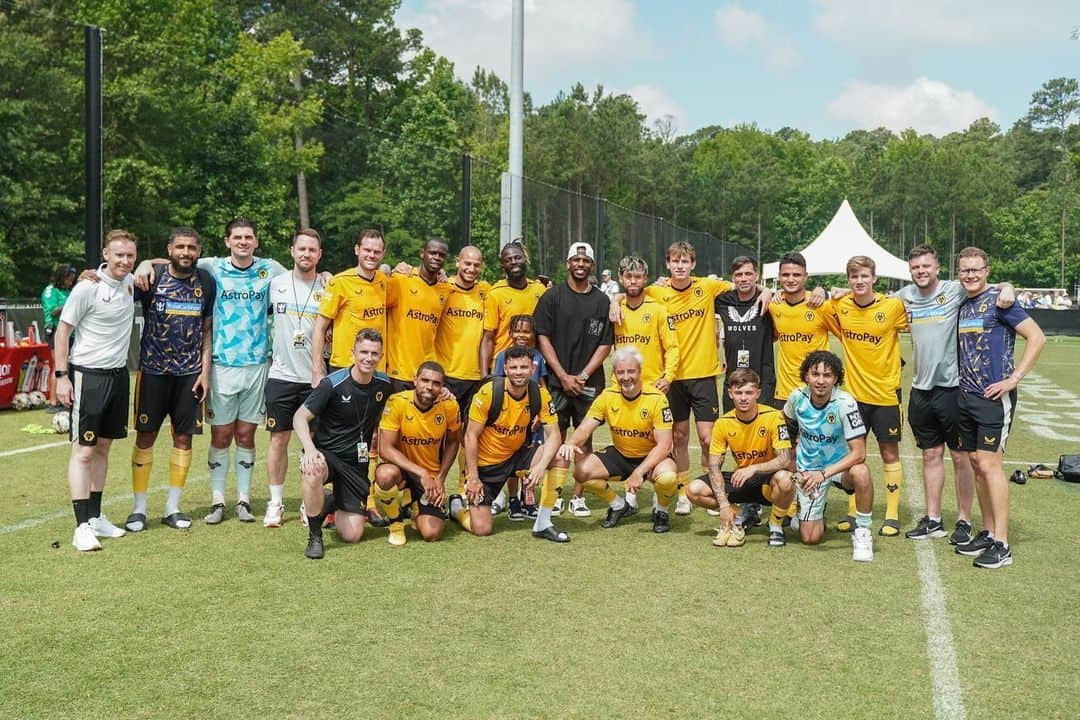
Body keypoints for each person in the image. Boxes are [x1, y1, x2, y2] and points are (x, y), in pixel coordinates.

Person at [896, 245, 1012, 545]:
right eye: (916, 268)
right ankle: (933, 519)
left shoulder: (955, 289)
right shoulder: (905, 296)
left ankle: (963, 519)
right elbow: (869, 299)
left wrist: (1008, 287)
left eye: (926, 266)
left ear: (938, 268)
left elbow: (988, 286)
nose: (921, 272)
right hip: (920, 389)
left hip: (953, 389)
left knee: (961, 457)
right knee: (930, 454)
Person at [625, 241, 738, 517]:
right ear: (668, 264)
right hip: (672, 378)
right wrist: (615, 302)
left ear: (693, 264)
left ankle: (712, 487)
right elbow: (630, 294)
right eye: (675, 261)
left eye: (685, 261)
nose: (680, 266)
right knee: (678, 435)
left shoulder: (708, 287)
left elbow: (744, 286)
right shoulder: (657, 291)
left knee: (708, 438)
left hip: (703, 375)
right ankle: (683, 491)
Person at [954, 247, 1045, 569]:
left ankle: (1003, 544)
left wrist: (1014, 378)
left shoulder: (1002, 301)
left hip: (995, 397)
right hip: (966, 397)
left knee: (991, 465)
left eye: (976, 269)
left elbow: (1037, 337)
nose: (970, 275)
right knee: (977, 463)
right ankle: (989, 531)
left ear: (987, 270)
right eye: (965, 270)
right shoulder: (964, 304)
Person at [125, 227, 215, 532]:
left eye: (191, 247)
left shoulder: (205, 282)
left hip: (189, 375)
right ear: (170, 249)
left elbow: (206, 330)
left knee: (183, 438)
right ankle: (138, 509)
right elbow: (116, 281)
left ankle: (172, 508)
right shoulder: (152, 278)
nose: (186, 252)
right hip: (152, 372)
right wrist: (141, 263)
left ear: (199, 251)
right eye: (180, 247)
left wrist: (205, 373)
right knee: (145, 436)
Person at [53, 229, 137, 551]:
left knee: (104, 448)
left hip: (118, 377)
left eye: (130, 256)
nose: (125, 261)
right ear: (105, 254)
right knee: (84, 451)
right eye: (119, 255)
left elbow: (158, 263)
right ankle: (81, 526)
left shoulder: (130, 283)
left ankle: (97, 515)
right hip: (89, 376)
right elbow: (63, 333)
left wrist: (143, 268)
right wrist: (62, 377)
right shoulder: (87, 287)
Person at [824, 256, 908, 537]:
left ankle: (892, 514)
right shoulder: (840, 306)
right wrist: (823, 292)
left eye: (864, 276)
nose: (859, 281)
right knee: (853, 456)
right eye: (854, 277)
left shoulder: (892, 307)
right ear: (848, 280)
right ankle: (852, 511)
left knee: (888, 453)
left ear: (874, 278)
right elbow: (815, 304)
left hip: (885, 396)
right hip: (853, 398)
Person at [556, 347, 679, 533]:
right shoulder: (607, 396)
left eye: (631, 371)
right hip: (621, 454)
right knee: (581, 472)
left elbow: (664, 445)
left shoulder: (656, 398)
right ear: (614, 373)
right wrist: (572, 443)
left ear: (640, 371)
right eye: (620, 372)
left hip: (652, 457)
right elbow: (585, 427)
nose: (626, 377)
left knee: (668, 478)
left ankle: (661, 510)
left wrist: (639, 472)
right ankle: (618, 504)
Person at [293, 328, 392, 559]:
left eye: (374, 354)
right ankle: (315, 535)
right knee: (311, 470)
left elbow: (411, 394)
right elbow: (300, 417)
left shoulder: (384, 384)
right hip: (327, 455)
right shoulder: (332, 384)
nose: (369, 358)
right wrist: (309, 449)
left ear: (381, 355)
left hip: (356, 463)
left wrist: (444, 393)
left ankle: (329, 500)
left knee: (353, 534)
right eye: (364, 352)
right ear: (353, 352)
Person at [534, 242, 614, 520]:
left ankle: (578, 497)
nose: (580, 264)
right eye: (575, 259)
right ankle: (554, 496)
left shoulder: (602, 301)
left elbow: (606, 343)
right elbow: (542, 336)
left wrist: (580, 376)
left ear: (591, 265)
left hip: (588, 383)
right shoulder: (552, 297)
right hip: (557, 383)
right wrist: (562, 376)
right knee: (554, 439)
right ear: (567, 263)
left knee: (584, 440)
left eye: (585, 260)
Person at [450, 346, 561, 539]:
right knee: (482, 529)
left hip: (516, 456)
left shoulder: (540, 394)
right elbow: (470, 436)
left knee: (560, 457)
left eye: (524, 367)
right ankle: (457, 508)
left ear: (532, 369)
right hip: (486, 466)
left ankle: (543, 523)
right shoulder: (489, 393)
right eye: (514, 367)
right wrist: (473, 477)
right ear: (506, 369)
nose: (519, 372)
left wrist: (541, 466)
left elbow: (555, 435)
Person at [783, 351, 875, 562]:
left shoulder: (845, 402)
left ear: (836, 379)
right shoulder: (797, 397)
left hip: (840, 469)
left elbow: (859, 453)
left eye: (827, 375)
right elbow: (786, 426)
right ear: (806, 376)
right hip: (809, 471)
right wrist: (794, 466)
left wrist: (823, 474)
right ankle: (815, 509)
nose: (821, 381)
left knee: (862, 473)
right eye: (816, 374)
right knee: (810, 538)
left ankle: (863, 532)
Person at [687, 368, 795, 547]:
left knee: (786, 479)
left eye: (749, 392)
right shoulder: (723, 423)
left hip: (767, 479)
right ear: (730, 393)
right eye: (738, 392)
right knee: (694, 489)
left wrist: (753, 468)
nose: (743, 398)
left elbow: (784, 459)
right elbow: (714, 466)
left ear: (758, 393)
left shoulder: (774, 416)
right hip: (742, 480)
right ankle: (736, 518)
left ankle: (775, 525)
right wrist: (723, 505)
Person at [262, 229, 325, 528]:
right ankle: (275, 503)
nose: (306, 254)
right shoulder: (275, 284)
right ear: (292, 251)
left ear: (319, 255)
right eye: (302, 249)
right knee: (278, 439)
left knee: (310, 442)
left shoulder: (328, 286)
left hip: (314, 377)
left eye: (312, 250)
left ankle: (306, 502)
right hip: (281, 375)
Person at [611, 255, 679, 512]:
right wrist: (614, 300)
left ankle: (659, 499)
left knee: (657, 442)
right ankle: (628, 497)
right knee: (626, 441)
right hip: (622, 388)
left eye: (638, 276)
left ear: (645, 279)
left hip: (653, 389)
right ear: (621, 278)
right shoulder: (615, 309)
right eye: (628, 276)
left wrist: (667, 377)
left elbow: (672, 347)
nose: (633, 281)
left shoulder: (658, 310)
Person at [715, 256, 776, 529]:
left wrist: (769, 291)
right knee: (735, 438)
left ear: (757, 276)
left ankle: (763, 499)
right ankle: (740, 498)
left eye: (748, 274)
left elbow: (797, 291)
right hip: (733, 383)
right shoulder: (723, 300)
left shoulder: (769, 301)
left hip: (762, 380)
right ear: (732, 276)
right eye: (738, 274)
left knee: (762, 442)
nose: (743, 279)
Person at [374, 361, 461, 545]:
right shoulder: (397, 402)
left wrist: (440, 478)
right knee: (385, 475)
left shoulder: (450, 406)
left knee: (432, 534)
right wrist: (420, 472)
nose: (429, 387)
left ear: (442, 386)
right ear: (415, 380)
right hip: (403, 471)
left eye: (436, 383)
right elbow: (385, 448)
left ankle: (413, 502)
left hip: (430, 476)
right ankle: (395, 522)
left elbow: (454, 442)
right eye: (425, 380)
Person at [313, 229, 389, 380]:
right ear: (357, 249)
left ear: (383, 253)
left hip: (376, 368)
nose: (372, 255)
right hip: (345, 367)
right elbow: (319, 328)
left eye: (377, 252)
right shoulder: (340, 282)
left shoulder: (385, 281)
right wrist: (317, 371)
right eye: (367, 250)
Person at [491, 314, 547, 519]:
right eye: (518, 330)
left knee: (531, 460)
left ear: (533, 334)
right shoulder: (502, 357)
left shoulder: (539, 357)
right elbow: (496, 386)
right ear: (511, 332)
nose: (522, 335)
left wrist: (541, 414)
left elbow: (542, 386)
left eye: (526, 331)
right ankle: (513, 499)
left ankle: (528, 499)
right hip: (511, 420)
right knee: (512, 459)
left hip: (533, 419)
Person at [384, 237, 452, 393]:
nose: (436, 257)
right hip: (399, 371)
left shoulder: (446, 289)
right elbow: (373, 296)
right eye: (432, 253)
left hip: (427, 375)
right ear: (423, 253)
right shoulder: (401, 279)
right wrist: (387, 268)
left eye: (441, 255)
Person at [480, 240, 547, 372]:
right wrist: (484, 377)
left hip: (532, 366)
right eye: (508, 260)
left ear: (525, 259)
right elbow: (488, 338)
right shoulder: (495, 293)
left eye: (517, 257)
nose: (514, 262)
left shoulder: (540, 290)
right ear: (502, 266)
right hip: (503, 366)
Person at [42, 265, 76, 412]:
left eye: (72, 280)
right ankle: (53, 402)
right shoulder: (51, 291)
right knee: (58, 366)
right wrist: (70, 303)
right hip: (55, 330)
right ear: (61, 278)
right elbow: (52, 311)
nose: (70, 283)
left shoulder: (68, 291)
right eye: (68, 280)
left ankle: (66, 400)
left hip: (71, 332)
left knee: (68, 366)